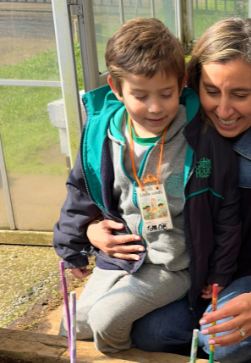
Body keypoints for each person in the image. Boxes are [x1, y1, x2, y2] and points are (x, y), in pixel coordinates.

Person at [85, 17, 251, 363]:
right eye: (211, 91)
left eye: (240, 95)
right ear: (190, 84)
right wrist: (91, 227)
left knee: (223, 341)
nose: (224, 110)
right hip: (191, 269)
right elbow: (107, 182)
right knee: (149, 332)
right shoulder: (165, 121)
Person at [53, 18, 241, 353]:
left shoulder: (203, 141)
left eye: (166, 94)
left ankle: (121, 354)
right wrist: (73, 245)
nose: (155, 108)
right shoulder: (100, 135)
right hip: (121, 259)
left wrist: (219, 272)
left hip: (172, 267)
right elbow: (80, 189)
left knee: (106, 321)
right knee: (73, 323)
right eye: (140, 95)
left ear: (181, 83)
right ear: (116, 87)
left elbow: (226, 211)